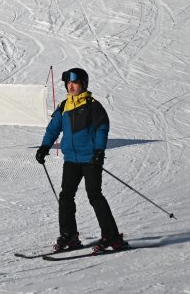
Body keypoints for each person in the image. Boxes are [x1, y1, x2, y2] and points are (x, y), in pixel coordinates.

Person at [35, 68, 127, 253]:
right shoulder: (64, 106)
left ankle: (112, 236)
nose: (70, 86)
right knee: (66, 196)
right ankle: (69, 235)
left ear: (83, 84)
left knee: (95, 196)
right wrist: (45, 147)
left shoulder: (92, 105)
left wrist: (99, 151)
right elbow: (53, 129)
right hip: (71, 160)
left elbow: (102, 127)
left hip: (90, 159)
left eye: (74, 83)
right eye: (68, 83)